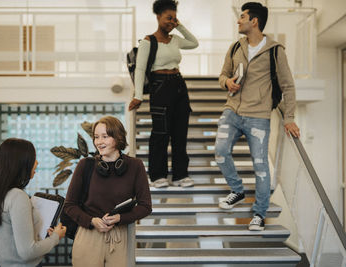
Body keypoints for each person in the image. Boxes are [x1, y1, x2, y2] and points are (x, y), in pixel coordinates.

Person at [216, 2, 300, 231]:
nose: (238, 20)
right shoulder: (235, 47)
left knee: (261, 167)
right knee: (221, 151)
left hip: (258, 116)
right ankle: (238, 190)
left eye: (242, 16)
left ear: (254, 21)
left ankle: (259, 214)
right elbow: (222, 75)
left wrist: (289, 117)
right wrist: (228, 82)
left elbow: (288, 86)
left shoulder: (275, 50)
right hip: (232, 110)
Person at [64, 116, 152, 267]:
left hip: (120, 236)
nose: (99, 142)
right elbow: (69, 205)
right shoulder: (85, 165)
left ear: (118, 138)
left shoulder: (135, 166)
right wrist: (92, 221)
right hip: (88, 235)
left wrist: (119, 217)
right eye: (96, 137)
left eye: (105, 136)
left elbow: (145, 206)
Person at [128, 0, 199, 188]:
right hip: (159, 87)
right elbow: (141, 69)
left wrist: (181, 26)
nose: (171, 22)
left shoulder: (175, 39)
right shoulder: (148, 42)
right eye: (168, 18)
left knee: (180, 133)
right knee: (160, 133)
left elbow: (194, 43)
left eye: (174, 18)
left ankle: (180, 175)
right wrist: (138, 95)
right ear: (158, 17)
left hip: (178, 85)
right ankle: (157, 175)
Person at [0, 138, 66, 267]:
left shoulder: (1, 194)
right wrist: (56, 237)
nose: (36, 162)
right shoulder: (18, 197)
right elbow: (27, 252)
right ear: (21, 163)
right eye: (33, 158)